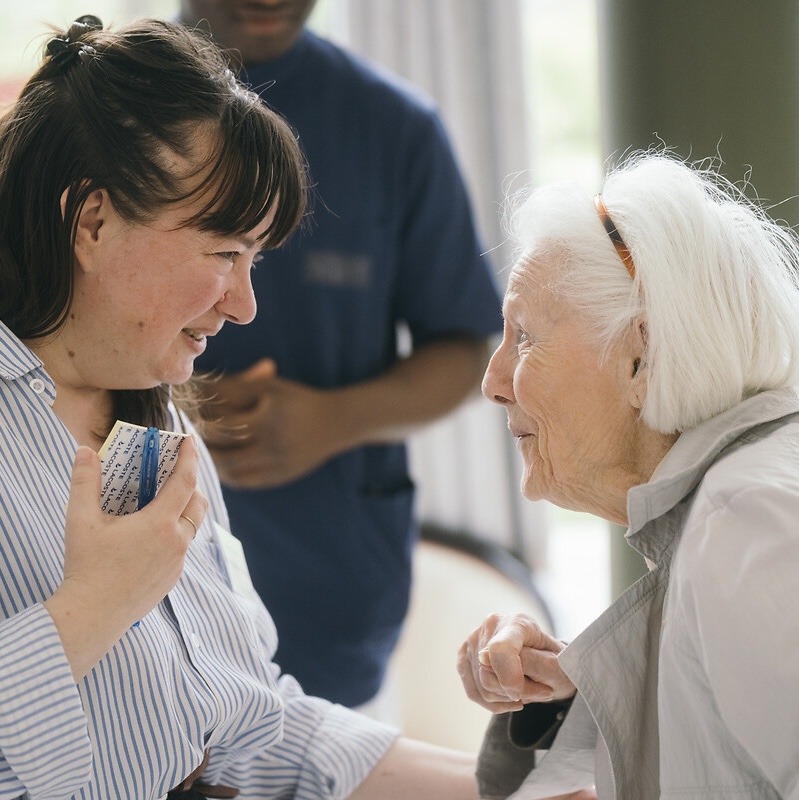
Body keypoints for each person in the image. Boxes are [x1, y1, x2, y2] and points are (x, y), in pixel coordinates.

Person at [0, 15, 478, 798]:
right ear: (92, 221)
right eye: (224, 253)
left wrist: (511, 785)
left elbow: (252, 731)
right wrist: (91, 607)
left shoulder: (156, 427)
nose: (245, 305)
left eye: (254, 259)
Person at [178, 0, 504, 710]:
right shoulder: (102, 118)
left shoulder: (394, 128)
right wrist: (168, 401)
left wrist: (334, 419)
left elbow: (464, 345)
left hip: (328, 581)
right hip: (144, 581)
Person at [457, 152, 799, 799]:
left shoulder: (747, 518)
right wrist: (572, 687)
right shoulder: (725, 505)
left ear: (639, 357)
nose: (492, 382)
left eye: (524, 337)